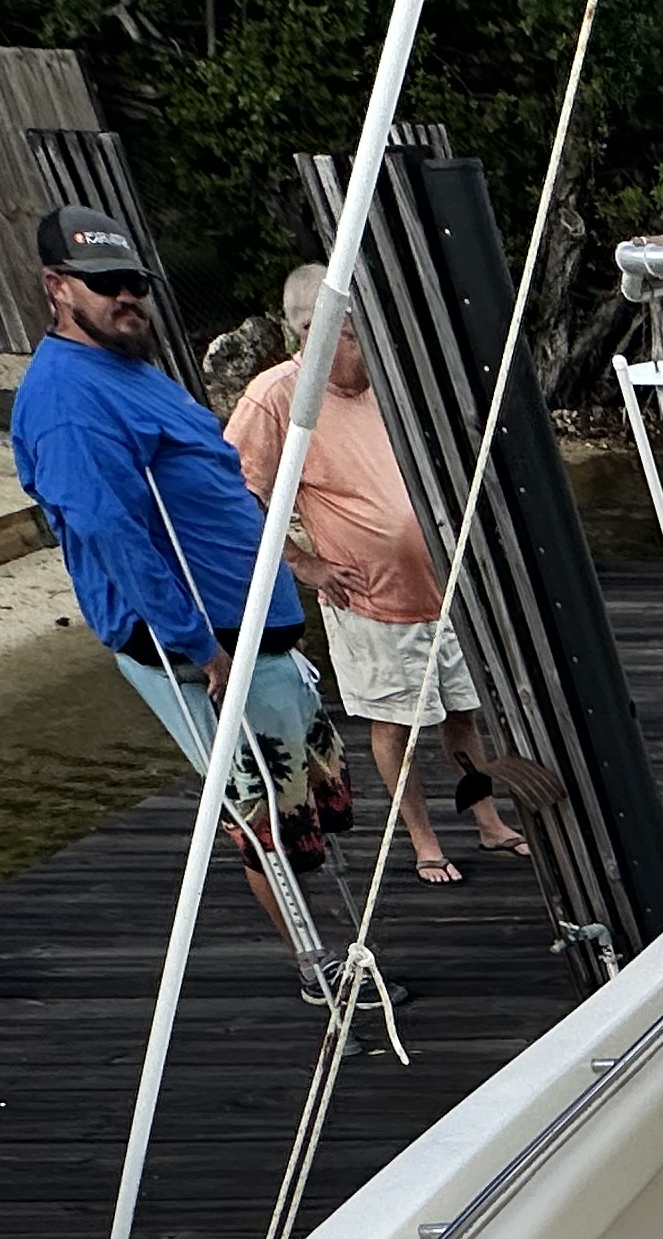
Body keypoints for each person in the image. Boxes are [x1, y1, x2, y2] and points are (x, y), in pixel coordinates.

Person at [7, 205, 358, 991]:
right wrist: (203, 650)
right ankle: (321, 971)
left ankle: (340, 939)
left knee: (303, 799)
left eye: (134, 283)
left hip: (258, 632)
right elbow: (112, 533)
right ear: (56, 286)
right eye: (105, 284)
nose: (126, 297)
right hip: (205, 649)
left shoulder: (130, 368)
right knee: (262, 811)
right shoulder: (66, 400)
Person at [229, 263, 532, 888]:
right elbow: (236, 497)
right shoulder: (277, 397)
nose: (370, 346)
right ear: (318, 333)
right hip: (369, 599)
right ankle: (423, 840)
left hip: (441, 590)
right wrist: (305, 563)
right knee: (396, 726)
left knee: (462, 711)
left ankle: (487, 820)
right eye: (356, 334)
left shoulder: (384, 385)